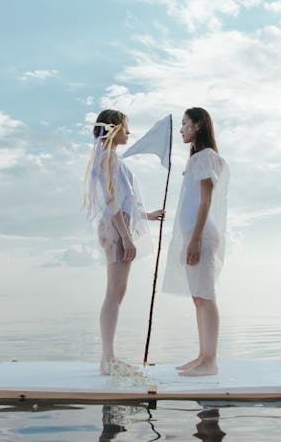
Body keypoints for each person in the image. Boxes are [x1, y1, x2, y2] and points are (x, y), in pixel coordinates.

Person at [83, 109, 165, 375]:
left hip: (116, 228)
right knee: (114, 293)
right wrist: (126, 236)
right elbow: (111, 202)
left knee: (116, 292)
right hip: (117, 230)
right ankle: (108, 360)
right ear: (114, 128)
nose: (129, 133)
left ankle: (108, 358)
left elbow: (123, 201)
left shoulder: (107, 158)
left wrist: (146, 215)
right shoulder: (108, 159)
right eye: (126, 127)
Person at [162, 107, 229, 376]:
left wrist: (195, 238)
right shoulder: (198, 158)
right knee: (198, 298)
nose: (181, 129)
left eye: (185, 124)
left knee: (206, 296)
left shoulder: (204, 157)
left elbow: (206, 199)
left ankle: (210, 361)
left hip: (200, 235)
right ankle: (203, 356)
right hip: (195, 234)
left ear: (198, 125)